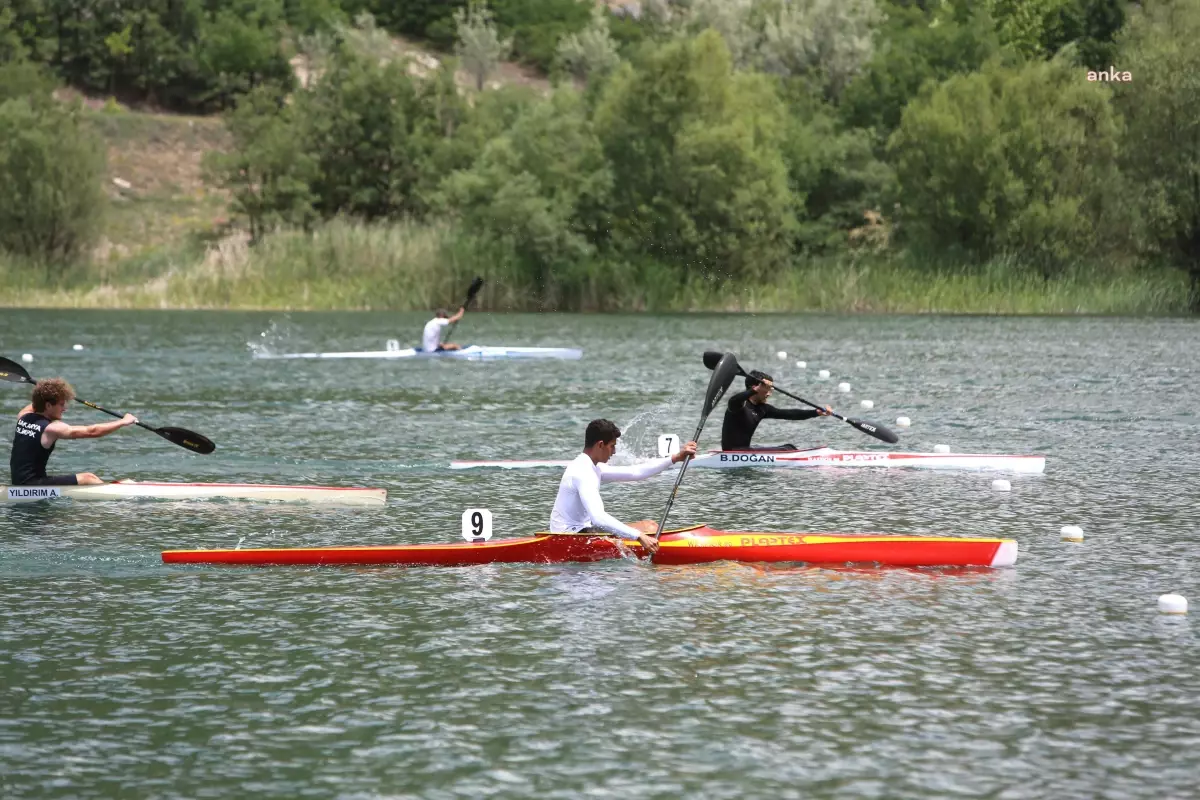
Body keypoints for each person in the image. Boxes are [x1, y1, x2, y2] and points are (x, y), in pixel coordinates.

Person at [550, 419, 697, 554]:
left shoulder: (592, 467)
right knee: (649, 529)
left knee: (649, 525)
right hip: (569, 538)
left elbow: (636, 472)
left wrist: (675, 458)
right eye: (612, 446)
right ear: (600, 445)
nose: (614, 452)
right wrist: (639, 537)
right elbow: (598, 518)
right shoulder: (582, 471)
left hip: (581, 531)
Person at [10, 378, 137, 486]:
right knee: (88, 478)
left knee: (87, 478)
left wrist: (44, 392)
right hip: (33, 485)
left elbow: (36, 404)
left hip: (19, 482)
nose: (64, 409)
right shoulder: (51, 428)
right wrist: (123, 421)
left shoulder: (23, 417)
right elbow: (92, 431)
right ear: (48, 406)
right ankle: (116, 498)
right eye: (61, 404)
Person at [720, 370, 830, 451]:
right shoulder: (739, 405)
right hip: (733, 452)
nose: (769, 393)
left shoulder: (763, 409)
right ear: (755, 387)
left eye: (770, 389)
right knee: (787, 449)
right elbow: (733, 400)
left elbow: (790, 414)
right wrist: (754, 390)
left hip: (745, 451)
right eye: (766, 389)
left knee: (789, 447)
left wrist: (816, 412)